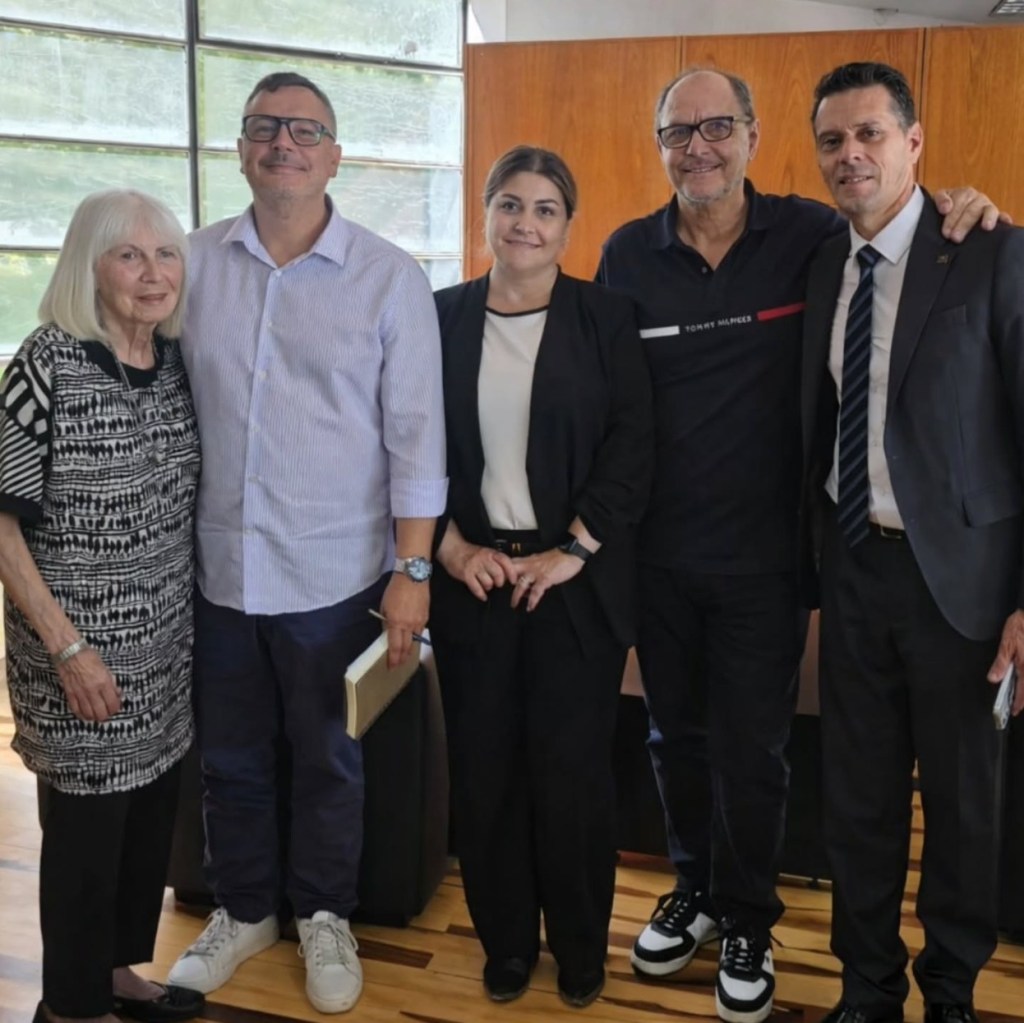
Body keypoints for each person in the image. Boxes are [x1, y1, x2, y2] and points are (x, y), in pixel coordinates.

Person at [595, 67, 1004, 1023]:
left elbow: (904, 231)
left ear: (751, 132)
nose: (700, 145)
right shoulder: (633, 254)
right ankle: (713, 897)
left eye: (719, 126)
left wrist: (963, 202)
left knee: (763, 751)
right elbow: (609, 401)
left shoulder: (816, 238)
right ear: (660, 144)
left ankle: (759, 918)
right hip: (689, 555)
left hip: (791, 558)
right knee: (684, 741)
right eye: (679, 130)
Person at [165, 72, 446, 1015]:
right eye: (264, 128)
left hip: (336, 575)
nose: (283, 143)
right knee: (230, 758)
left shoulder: (387, 277)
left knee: (330, 757)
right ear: (242, 148)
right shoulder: (192, 264)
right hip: (217, 569)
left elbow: (417, 441)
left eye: (304, 130)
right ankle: (245, 909)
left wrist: (413, 574)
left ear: (336, 154)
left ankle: (325, 910)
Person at [800, 61, 1024, 1023]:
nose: (851, 155)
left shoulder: (990, 249)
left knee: (965, 806)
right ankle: (867, 985)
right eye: (833, 141)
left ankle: (952, 987)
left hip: (963, 585)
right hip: (853, 569)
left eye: (870, 135)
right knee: (858, 797)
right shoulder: (821, 261)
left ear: (914, 142)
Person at [431, 145, 653, 1008]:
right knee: (486, 775)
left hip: (573, 587)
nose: (526, 222)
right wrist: (448, 546)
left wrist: (577, 550)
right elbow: (410, 446)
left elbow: (634, 447)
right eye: (511, 204)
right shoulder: (439, 315)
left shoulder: (608, 316)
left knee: (573, 777)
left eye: (546, 208)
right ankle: (508, 944)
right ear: (485, 212)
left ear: (569, 224)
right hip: (474, 579)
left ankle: (582, 945)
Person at [0, 190, 203, 1023]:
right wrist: (67, 647)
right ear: (90, 266)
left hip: (163, 649)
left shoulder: (173, 359)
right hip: (77, 655)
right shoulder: (45, 362)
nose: (152, 274)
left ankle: (118, 970)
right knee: (85, 838)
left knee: (147, 813)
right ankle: (71, 1006)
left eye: (166, 255)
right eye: (129, 255)